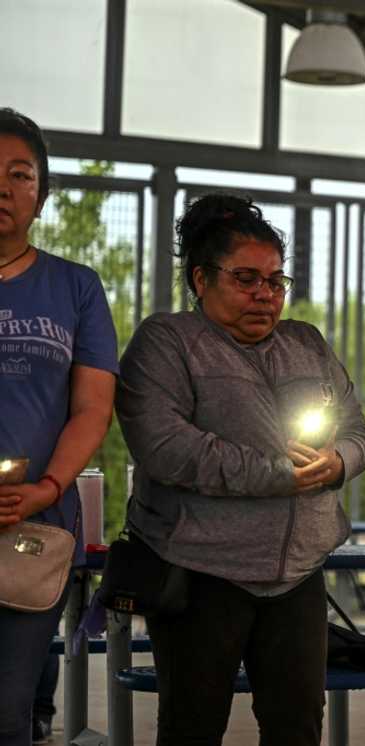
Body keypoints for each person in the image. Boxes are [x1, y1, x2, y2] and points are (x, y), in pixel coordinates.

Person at [115, 193, 365, 746]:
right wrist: (277, 473)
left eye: (276, 281)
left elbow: (360, 434)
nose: (265, 294)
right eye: (246, 278)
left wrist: (337, 463)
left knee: (298, 725)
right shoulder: (167, 341)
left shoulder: (307, 342)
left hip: (297, 574)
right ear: (201, 279)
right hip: (203, 572)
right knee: (192, 726)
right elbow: (166, 448)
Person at [0, 108, 118, 746]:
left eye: (20, 176)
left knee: (9, 708)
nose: (3, 188)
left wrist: (46, 488)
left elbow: (93, 407)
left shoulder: (76, 288)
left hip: (35, 529)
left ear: (40, 197)